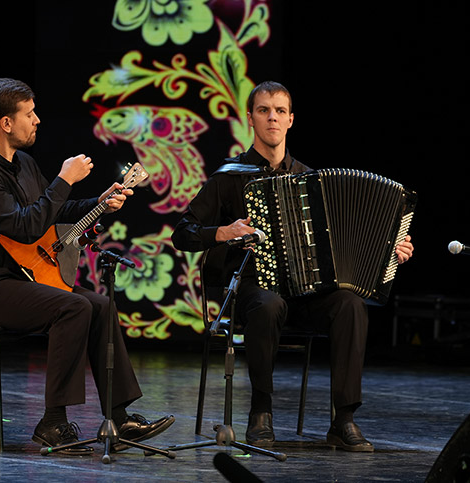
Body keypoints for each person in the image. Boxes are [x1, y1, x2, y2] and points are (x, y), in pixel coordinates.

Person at [171, 80, 414, 452]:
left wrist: (388, 250)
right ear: (250, 118)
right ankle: (261, 411)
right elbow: (183, 233)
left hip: (306, 295)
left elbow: (345, 239)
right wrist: (222, 231)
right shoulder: (229, 176)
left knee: (350, 304)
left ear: (290, 120)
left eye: (280, 111)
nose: (272, 118)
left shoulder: (312, 180)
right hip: (252, 294)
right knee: (268, 304)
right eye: (264, 110)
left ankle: (344, 419)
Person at [0, 77, 174, 455]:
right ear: (6, 123)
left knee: (100, 304)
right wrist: (65, 179)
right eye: (29, 114)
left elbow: (50, 213)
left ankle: (119, 417)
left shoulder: (23, 163)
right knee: (73, 307)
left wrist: (97, 202)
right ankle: (52, 422)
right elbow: (24, 227)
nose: (37, 120)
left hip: (22, 277)